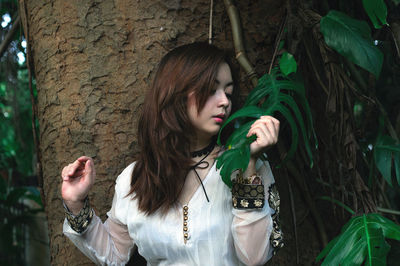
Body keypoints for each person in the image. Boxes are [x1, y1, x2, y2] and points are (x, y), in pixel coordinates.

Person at [61, 42, 281, 266]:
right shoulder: (134, 178)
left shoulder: (243, 165)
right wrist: (75, 204)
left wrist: (249, 166)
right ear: (176, 92)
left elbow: (255, 258)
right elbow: (114, 255)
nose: (224, 101)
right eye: (211, 89)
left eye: (228, 92)